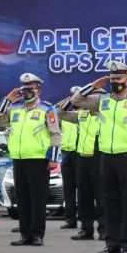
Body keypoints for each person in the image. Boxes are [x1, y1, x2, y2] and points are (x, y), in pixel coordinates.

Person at [72, 62, 127, 253]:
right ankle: (112, 244)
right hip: (106, 158)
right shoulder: (102, 100)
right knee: (109, 203)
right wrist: (94, 84)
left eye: (120, 78)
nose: (116, 82)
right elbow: (76, 100)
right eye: (113, 78)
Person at [0, 73, 62, 247]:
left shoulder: (47, 109)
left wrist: (53, 158)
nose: (26, 92)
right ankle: (25, 234)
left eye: (30, 89)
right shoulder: (15, 108)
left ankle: (37, 234)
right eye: (24, 89)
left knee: (37, 198)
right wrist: (7, 100)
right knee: (22, 198)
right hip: (19, 158)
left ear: (38, 91)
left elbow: (55, 134)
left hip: (38, 159)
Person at [59, 86, 102, 241]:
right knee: (84, 197)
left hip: (98, 158)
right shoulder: (81, 115)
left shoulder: (105, 116)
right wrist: (69, 101)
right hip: (81, 157)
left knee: (101, 196)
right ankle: (86, 229)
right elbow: (61, 113)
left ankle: (104, 229)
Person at [57, 87, 81, 230]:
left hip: (80, 154)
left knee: (84, 190)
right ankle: (70, 219)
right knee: (69, 188)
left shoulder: (85, 114)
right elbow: (52, 113)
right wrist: (63, 103)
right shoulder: (66, 115)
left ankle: (85, 218)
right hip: (66, 153)